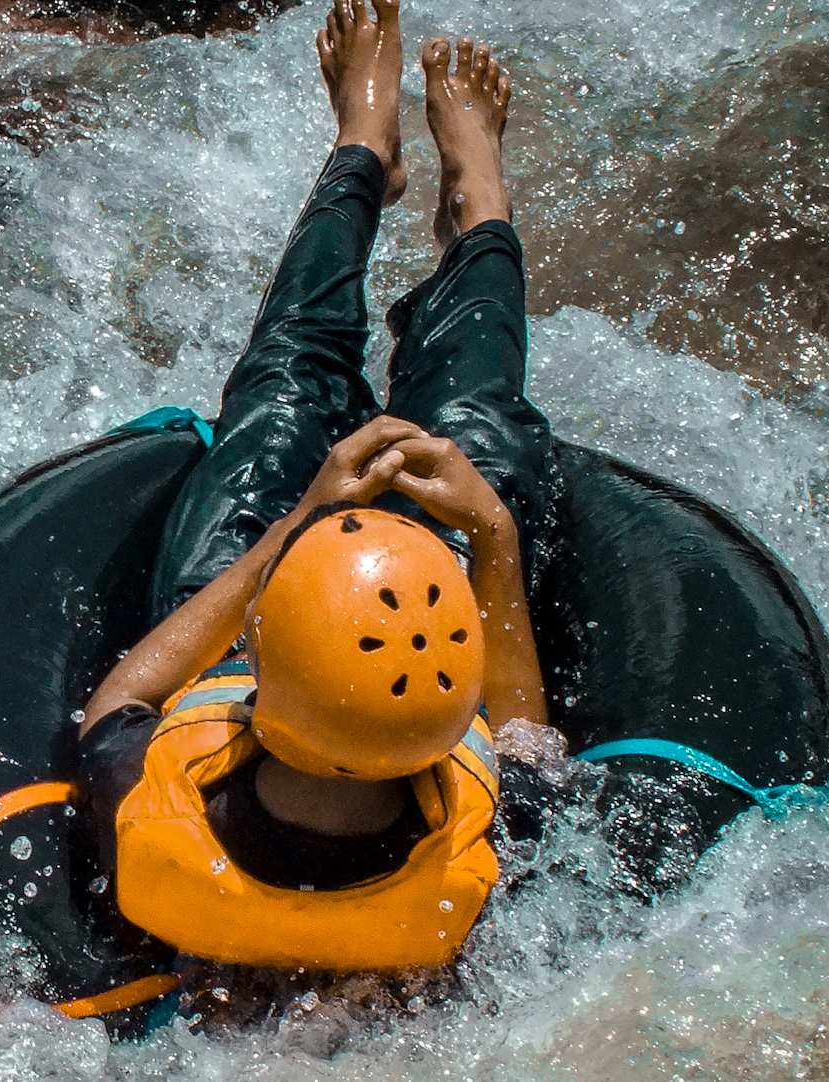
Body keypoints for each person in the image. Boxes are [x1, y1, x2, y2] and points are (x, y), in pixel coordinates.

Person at [75, 0, 561, 976]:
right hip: (368, 635)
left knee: (288, 384)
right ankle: (478, 204)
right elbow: (523, 734)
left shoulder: (157, 810)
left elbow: (122, 694)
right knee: (474, 426)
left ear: (263, 665)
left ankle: (362, 154)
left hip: (257, 612)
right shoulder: (479, 840)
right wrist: (493, 537)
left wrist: (305, 517)